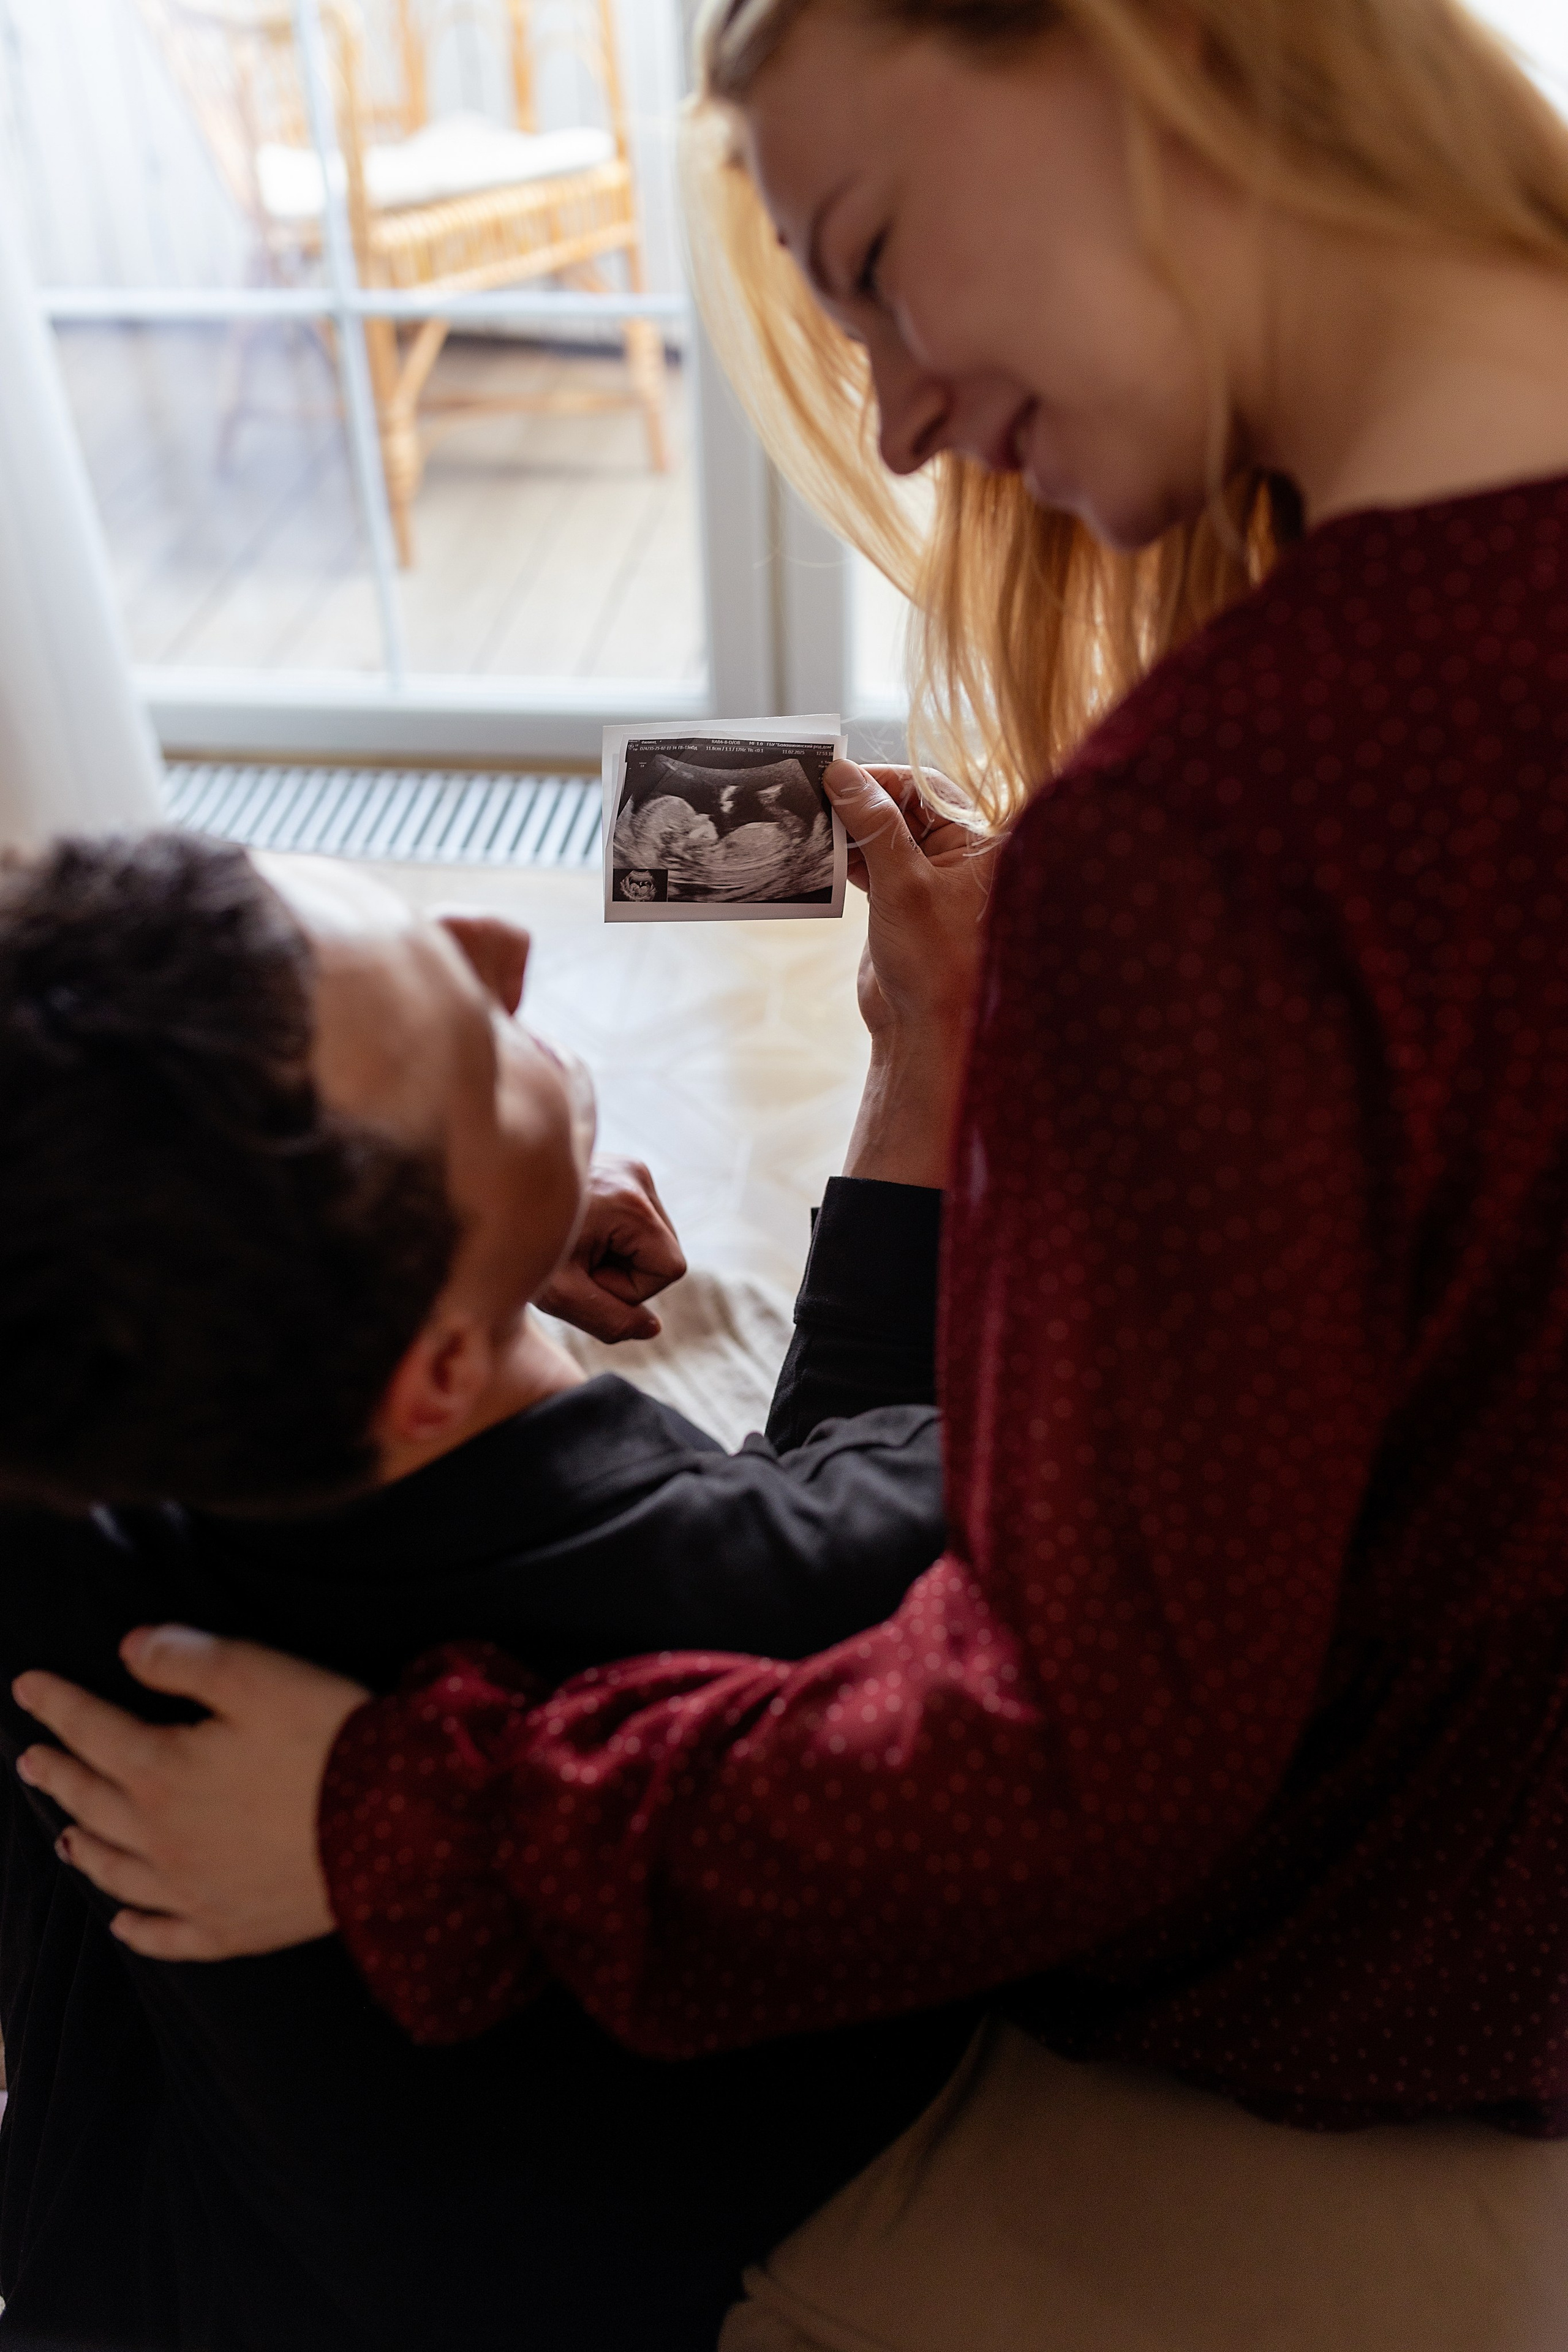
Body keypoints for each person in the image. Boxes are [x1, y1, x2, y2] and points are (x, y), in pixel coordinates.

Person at [22, 0, 1568, 2340]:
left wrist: (418, 1813)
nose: (900, 421)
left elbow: (1035, 1686)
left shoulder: (1232, 834)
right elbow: (902, 1508)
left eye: (868, 255)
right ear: (436, 1358)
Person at [0, 829, 986, 2350]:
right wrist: (933, 1043)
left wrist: (449, 1234)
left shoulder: (72, 1455)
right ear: (435, 1374)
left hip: (130, 2243)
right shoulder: (759, 1589)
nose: (494, 937)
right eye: (472, 1037)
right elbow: (894, 1445)